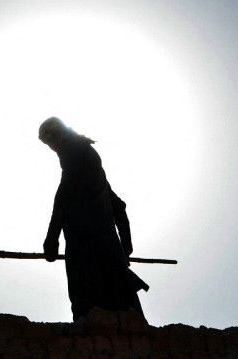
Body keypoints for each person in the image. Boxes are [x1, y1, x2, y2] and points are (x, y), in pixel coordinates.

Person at [38, 116, 149, 322]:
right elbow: (119, 206)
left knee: (89, 313)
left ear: (59, 134)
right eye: (48, 144)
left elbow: (64, 195)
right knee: (124, 313)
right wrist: (125, 247)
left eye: (51, 141)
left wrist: (52, 237)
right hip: (108, 252)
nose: (52, 148)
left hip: (86, 246)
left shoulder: (73, 149)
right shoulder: (89, 160)